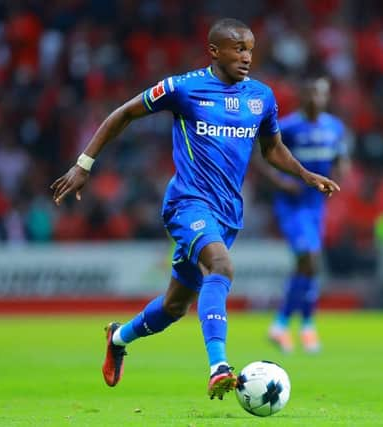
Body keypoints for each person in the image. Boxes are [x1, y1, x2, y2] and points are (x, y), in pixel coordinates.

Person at [50, 18, 339, 400]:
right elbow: (123, 114)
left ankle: (118, 338)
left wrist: (304, 174)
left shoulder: (261, 97)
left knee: (174, 306)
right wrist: (83, 165)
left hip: (228, 212)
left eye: (250, 49)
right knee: (220, 266)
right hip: (187, 203)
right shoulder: (183, 88)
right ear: (214, 51)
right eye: (237, 49)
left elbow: (271, 149)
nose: (246, 57)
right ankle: (219, 366)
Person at [263, 76, 350, 353]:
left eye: (321, 93)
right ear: (302, 96)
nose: (316, 98)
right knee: (310, 259)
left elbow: (340, 158)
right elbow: (263, 157)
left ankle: (284, 325)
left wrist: (340, 171)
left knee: (307, 265)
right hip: (293, 205)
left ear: (327, 97)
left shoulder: (335, 127)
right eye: (311, 92)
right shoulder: (287, 127)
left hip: (317, 205)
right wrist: (281, 182)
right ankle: (304, 326)